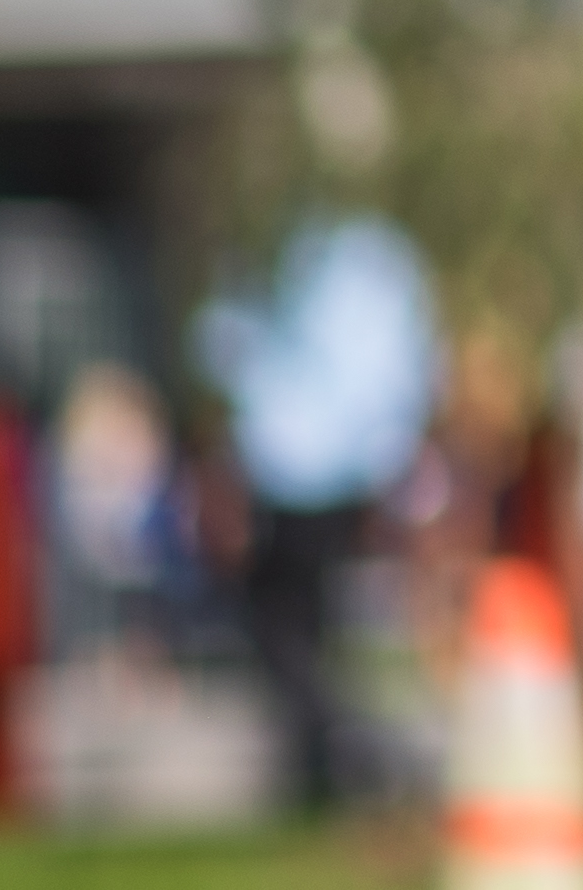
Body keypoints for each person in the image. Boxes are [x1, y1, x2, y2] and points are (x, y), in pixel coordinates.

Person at [190, 212, 436, 816]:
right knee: (309, 628)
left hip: (292, 473)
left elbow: (227, 355)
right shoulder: (374, 265)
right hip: (334, 473)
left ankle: (336, 751)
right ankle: (329, 754)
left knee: (287, 629)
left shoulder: (298, 258)